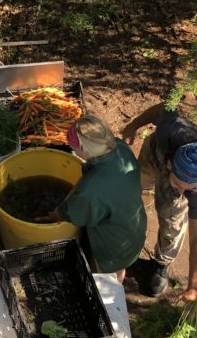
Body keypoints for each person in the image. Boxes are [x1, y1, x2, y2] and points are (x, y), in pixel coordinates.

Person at [121, 100, 197, 299]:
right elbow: (161, 108)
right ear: (169, 165)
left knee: (173, 219)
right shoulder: (172, 130)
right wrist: (133, 126)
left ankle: (162, 264)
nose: (182, 191)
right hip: (155, 152)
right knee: (137, 182)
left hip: (172, 171)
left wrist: (193, 285)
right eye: (178, 185)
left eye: (188, 189)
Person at [59, 114, 147, 281]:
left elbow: (72, 214)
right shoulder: (119, 148)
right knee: (120, 270)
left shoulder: (91, 188)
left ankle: (109, 299)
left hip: (112, 245)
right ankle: (119, 277)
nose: (73, 151)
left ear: (84, 150)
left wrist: (54, 214)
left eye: (74, 149)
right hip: (134, 228)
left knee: (106, 281)